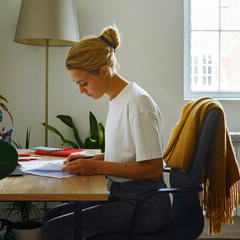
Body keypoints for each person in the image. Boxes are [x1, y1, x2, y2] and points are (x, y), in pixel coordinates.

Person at [41, 25, 171, 240]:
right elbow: (127, 156)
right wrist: (89, 160)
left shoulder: (138, 103)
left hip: (145, 206)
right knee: (51, 218)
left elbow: (153, 169)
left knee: (55, 230)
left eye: (83, 83)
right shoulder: (118, 99)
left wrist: (97, 166)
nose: (81, 90)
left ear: (104, 71)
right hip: (124, 196)